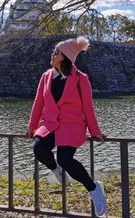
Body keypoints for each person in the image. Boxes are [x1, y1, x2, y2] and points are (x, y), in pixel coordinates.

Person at [26, 36, 107, 217]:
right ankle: (57, 170)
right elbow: (38, 102)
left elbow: (88, 107)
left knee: (65, 158)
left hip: (71, 126)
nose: (52, 54)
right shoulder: (46, 76)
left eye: (56, 52)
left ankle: (94, 189)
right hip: (50, 124)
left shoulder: (80, 79)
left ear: (65, 56)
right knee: (39, 148)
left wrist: (95, 131)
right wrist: (32, 126)